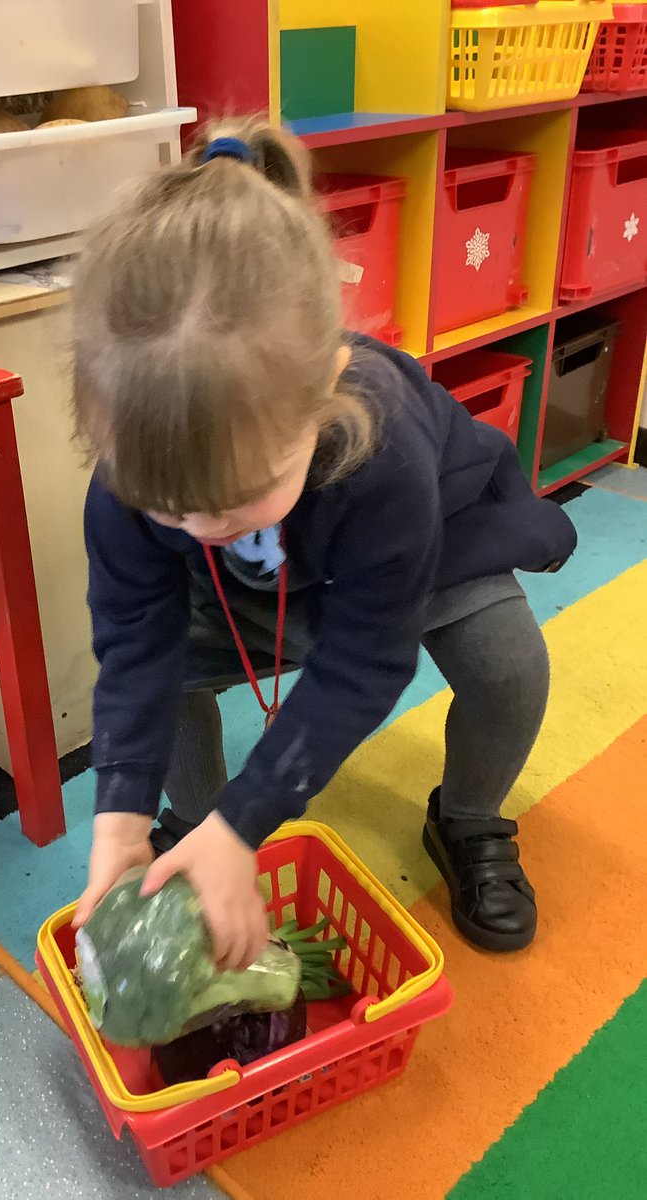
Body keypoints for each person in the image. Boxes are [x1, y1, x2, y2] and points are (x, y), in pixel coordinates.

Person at [70, 117, 577, 969]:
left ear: (327, 385)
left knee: (510, 667)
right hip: (244, 590)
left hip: (422, 547)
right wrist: (120, 817)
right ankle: (194, 830)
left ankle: (469, 817)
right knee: (172, 682)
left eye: (233, 496)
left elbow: (366, 660)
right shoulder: (134, 487)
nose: (199, 523)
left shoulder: (381, 453)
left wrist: (255, 812)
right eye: (171, 507)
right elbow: (134, 653)